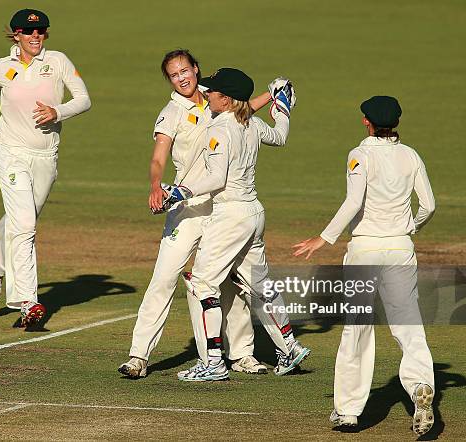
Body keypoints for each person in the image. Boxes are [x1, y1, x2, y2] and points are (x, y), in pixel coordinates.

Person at [118, 50, 277, 378]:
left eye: (185, 71)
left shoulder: (214, 97)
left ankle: (242, 354)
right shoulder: (172, 112)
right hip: (187, 208)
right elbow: (158, 157)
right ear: (170, 80)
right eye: (174, 75)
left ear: (195, 69)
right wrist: (155, 185)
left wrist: (272, 95)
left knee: (230, 283)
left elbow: (244, 108)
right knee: (164, 277)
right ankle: (139, 356)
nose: (181, 78)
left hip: (223, 207)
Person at [292, 96, 436, 436]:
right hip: (401, 249)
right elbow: (429, 205)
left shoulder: (360, 155)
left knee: (357, 327)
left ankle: (347, 411)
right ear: (396, 123)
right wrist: (409, 227)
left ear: (366, 122)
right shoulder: (411, 155)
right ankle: (419, 387)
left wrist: (323, 238)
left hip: (365, 251)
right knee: (408, 325)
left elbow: (353, 201)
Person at [162, 67, 311, 382]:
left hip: (230, 216)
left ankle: (213, 362)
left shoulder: (220, 129)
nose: (206, 94)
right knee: (260, 284)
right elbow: (281, 136)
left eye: (212, 92)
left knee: (202, 283)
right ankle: (290, 347)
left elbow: (217, 178)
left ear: (226, 99)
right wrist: (283, 107)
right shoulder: (252, 123)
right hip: (254, 213)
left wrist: (180, 192)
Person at [0, 9, 91, 327]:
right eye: (28, 31)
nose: (35, 37)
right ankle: (28, 303)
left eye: (41, 31)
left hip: (46, 157)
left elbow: (84, 99)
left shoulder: (58, 61)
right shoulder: (3, 66)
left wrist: (57, 111)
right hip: (11, 152)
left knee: (19, 220)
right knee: (24, 226)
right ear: (16, 35)